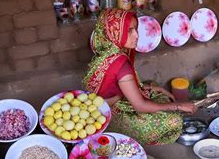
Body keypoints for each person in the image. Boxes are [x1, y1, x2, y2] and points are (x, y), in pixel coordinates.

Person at [83, 9, 196, 145]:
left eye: (136, 29)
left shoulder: (105, 51)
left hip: (98, 109)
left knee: (152, 86)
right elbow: (140, 106)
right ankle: (123, 138)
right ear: (114, 32)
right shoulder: (120, 64)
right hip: (108, 119)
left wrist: (155, 89)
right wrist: (179, 106)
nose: (136, 35)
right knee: (174, 120)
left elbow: (119, 86)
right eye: (129, 30)